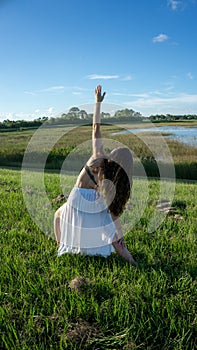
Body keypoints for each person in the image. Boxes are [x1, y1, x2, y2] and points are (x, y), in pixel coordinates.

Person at [54, 85, 137, 267]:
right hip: (93, 206)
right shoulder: (114, 183)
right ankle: (131, 260)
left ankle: (61, 246)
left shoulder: (99, 158)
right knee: (112, 233)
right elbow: (114, 214)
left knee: (58, 214)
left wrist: (97, 103)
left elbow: (95, 128)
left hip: (76, 199)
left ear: (113, 155)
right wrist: (119, 234)